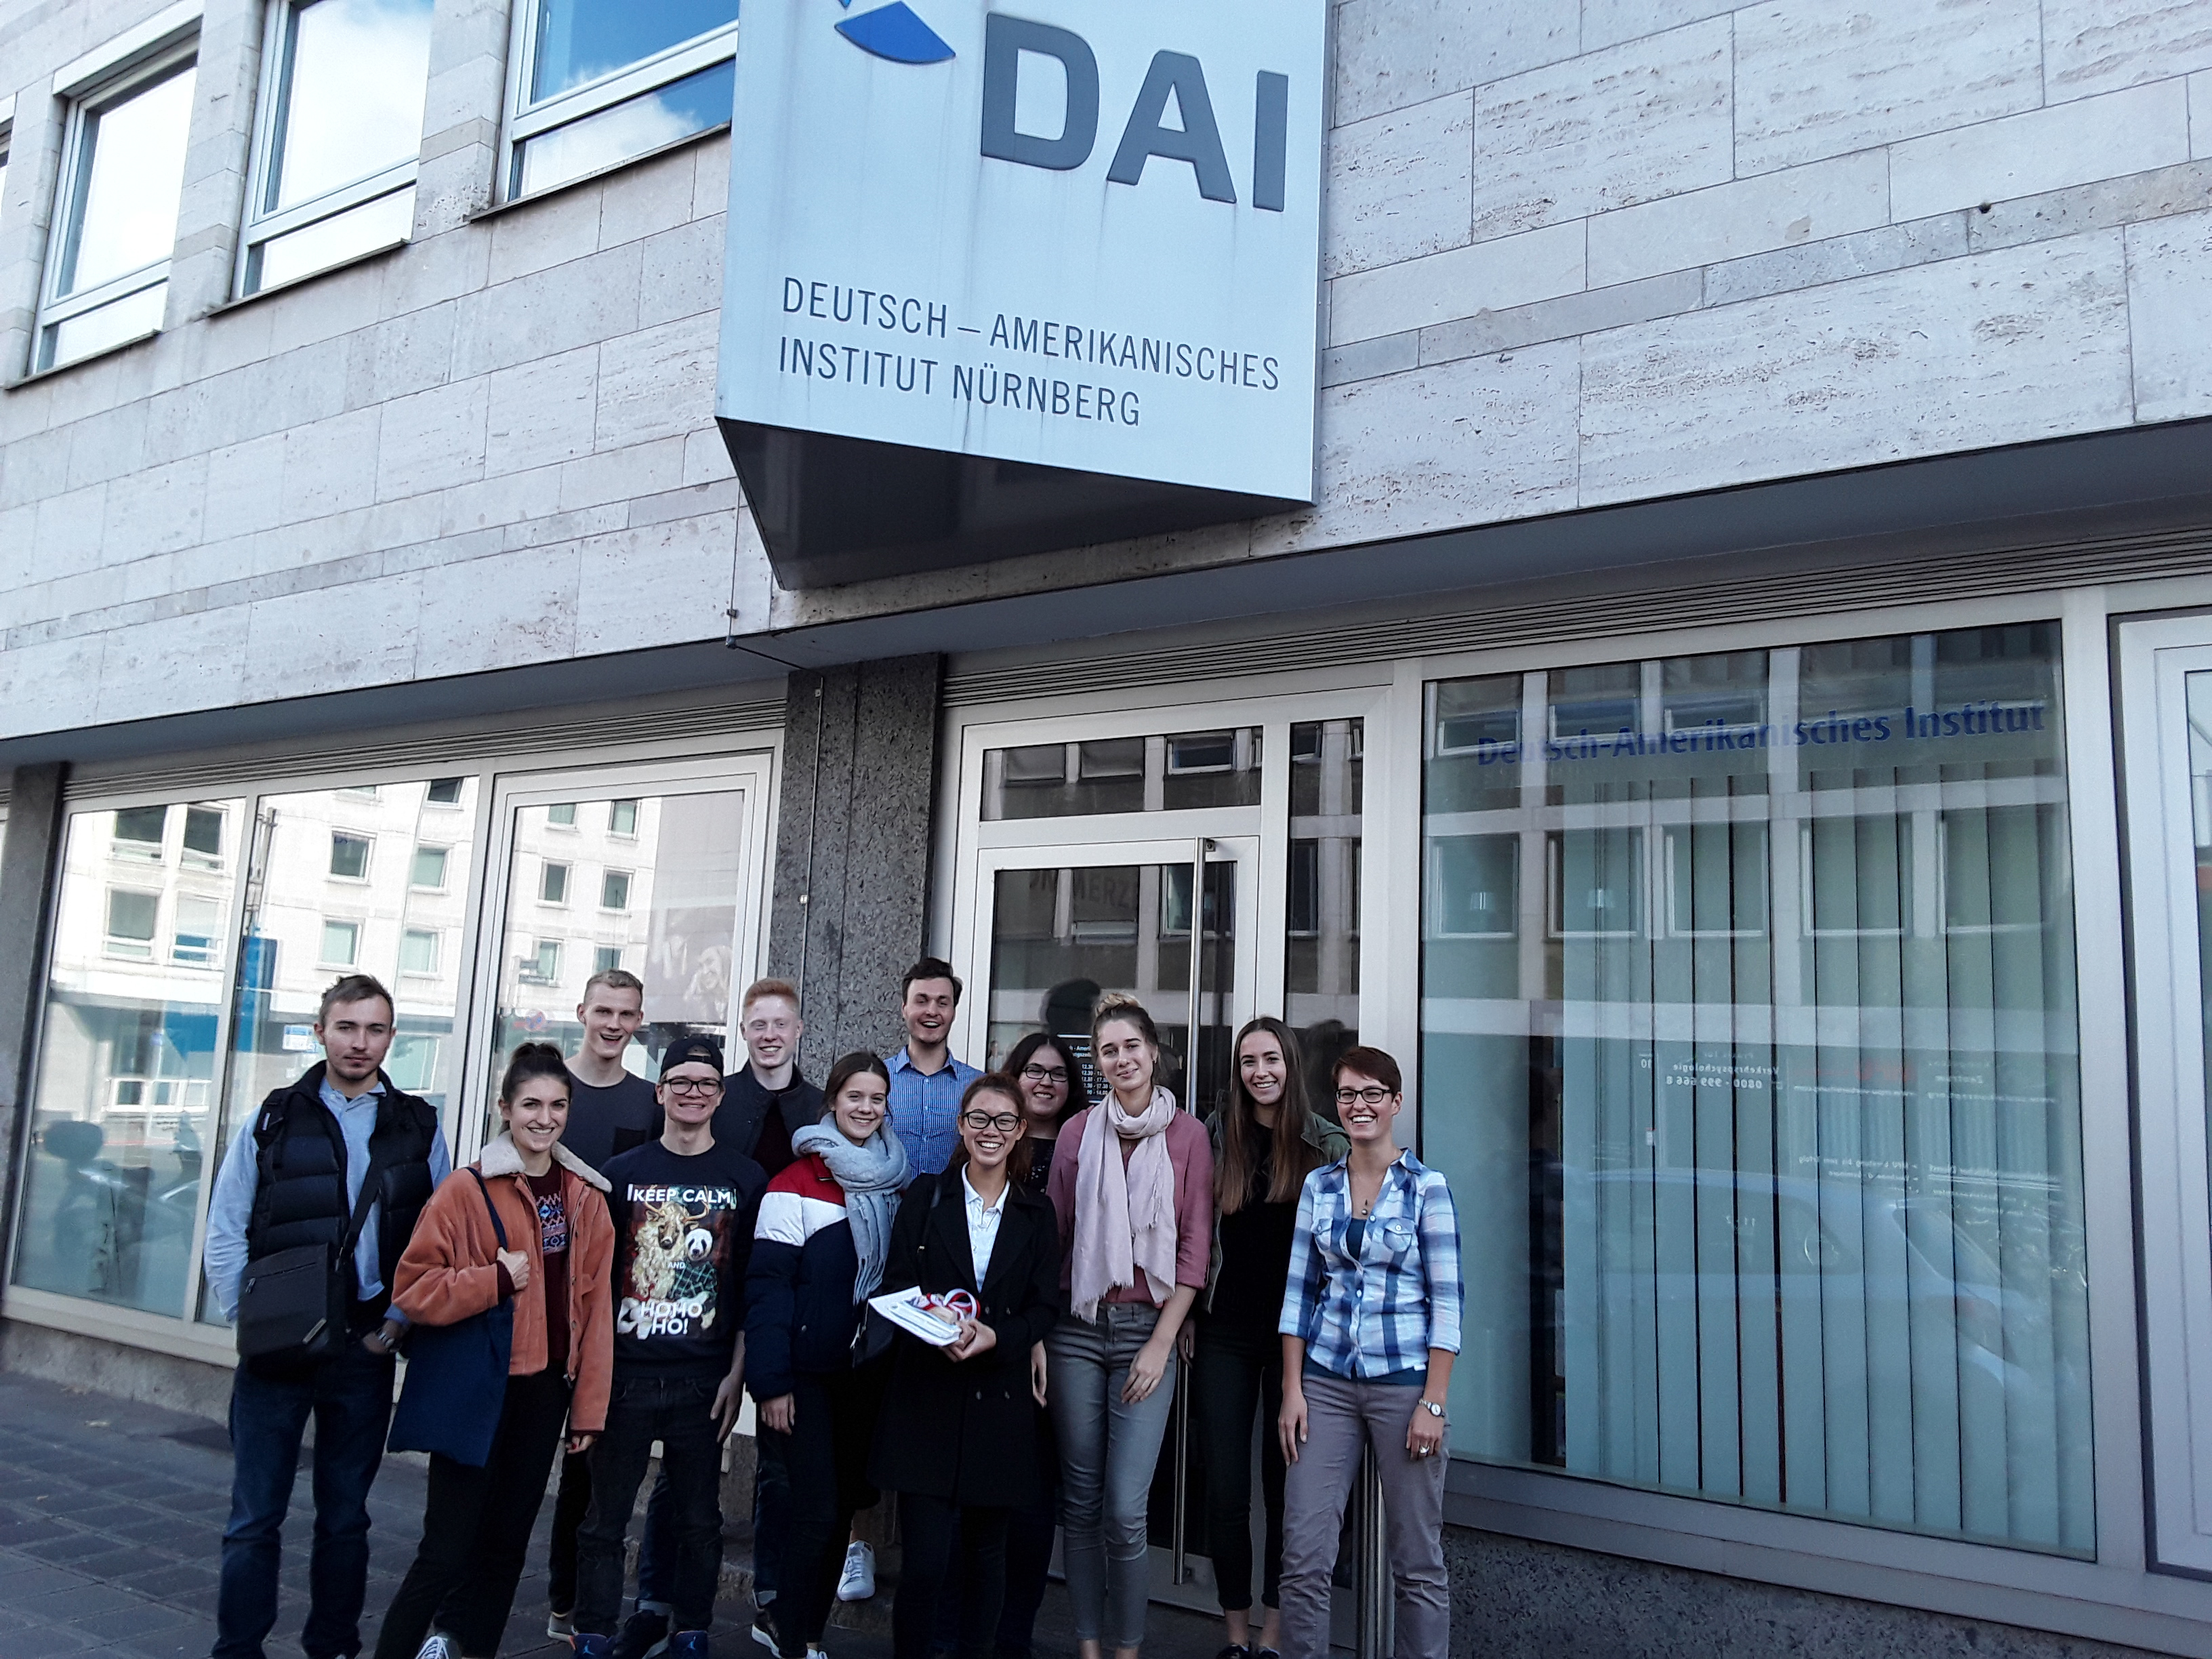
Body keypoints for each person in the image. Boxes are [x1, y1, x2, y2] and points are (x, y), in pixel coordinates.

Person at [203, 975, 451, 1659]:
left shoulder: (418, 1126)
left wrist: (395, 1326)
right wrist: (249, 1322)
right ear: (321, 1031)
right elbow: (225, 1228)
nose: (359, 1042)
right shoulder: (274, 1117)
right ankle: (238, 1649)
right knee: (254, 1519)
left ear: (391, 1038)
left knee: (345, 1519)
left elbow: (436, 1238)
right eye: (346, 1027)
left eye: (374, 1029)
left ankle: (334, 1645)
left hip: (362, 1348)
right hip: (276, 1349)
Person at [375, 1044, 615, 1659]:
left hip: (544, 1393)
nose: (544, 1118)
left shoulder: (587, 1196)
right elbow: (412, 1287)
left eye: (557, 1105)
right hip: (477, 1386)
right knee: (446, 1548)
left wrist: (588, 1410)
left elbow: (595, 1313)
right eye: (531, 1104)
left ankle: (470, 1647)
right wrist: (493, 1281)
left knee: (507, 1545)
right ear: (504, 1108)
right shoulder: (466, 1189)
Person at [571, 1038, 767, 1659]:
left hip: (703, 1381)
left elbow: (751, 1287)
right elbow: (595, 1282)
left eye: (705, 1083)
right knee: (604, 1521)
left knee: (700, 1522)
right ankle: (593, 1633)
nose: (692, 1093)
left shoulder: (745, 1178)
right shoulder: (620, 1175)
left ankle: (691, 1631)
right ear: (659, 1092)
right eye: (680, 1081)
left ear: (720, 1095)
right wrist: (590, 1378)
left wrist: (737, 1376)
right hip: (626, 1378)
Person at [1275, 1048, 1462, 1659]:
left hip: (1404, 1385)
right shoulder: (1319, 1185)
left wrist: (1433, 1403)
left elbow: (1447, 1303)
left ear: (1395, 1102)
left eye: (1372, 1093)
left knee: (1417, 1561)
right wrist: (1293, 1389)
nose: (1359, 1105)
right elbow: (1299, 1293)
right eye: (1348, 1095)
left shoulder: (1427, 1189)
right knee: (1304, 1557)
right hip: (1325, 1384)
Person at [1045, 994, 1214, 1659]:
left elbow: (1195, 1247)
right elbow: (1055, 1236)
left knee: (1124, 1508)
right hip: (1077, 1329)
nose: (1122, 1060)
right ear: (1099, 1061)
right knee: (1081, 1504)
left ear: (1154, 1051)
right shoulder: (1076, 1133)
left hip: (1150, 1330)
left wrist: (1163, 1341)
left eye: (1131, 1047)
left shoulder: (1188, 1136)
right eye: (1108, 1050)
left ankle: (1128, 1650)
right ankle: (1090, 1646)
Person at [872, 1075, 1061, 1659]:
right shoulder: (926, 1198)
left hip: (998, 1401)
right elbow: (896, 1285)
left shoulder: (1037, 1213)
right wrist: (939, 1332)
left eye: (1004, 1121)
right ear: (961, 1125)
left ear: (1020, 1131)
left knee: (986, 1558)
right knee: (925, 1563)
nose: (990, 1131)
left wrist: (999, 1338)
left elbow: (1044, 1308)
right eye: (979, 1118)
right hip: (927, 1395)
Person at [747, 1054, 913, 1659]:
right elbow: (768, 1288)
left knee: (842, 1510)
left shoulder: (898, 1182)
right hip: (806, 1378)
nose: (866, 1108)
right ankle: (789, 1634)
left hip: (866, 1375)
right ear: (833, 1101)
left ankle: (809, 1635)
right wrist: (771, 1383)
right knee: (814, 1511)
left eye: (877, 1098)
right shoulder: (794, 1183)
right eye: (855, 1097)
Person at [1198, 1019, 1347, 1659]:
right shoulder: (1216, 1132)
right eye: (1248, 1061)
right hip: (1224, 1332)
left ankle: (1275, 1635)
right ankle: (1236, 1635)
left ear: (1290, 1064)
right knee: (1226, 1490)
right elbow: (1194, 1230)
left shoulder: (1326, 1144)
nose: (1260, 1072)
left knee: (1288, 1490)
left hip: (1300, 1342)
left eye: (1271, 1060)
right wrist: (1187, 1317)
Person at [548, 969, 661, 1641]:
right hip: (541, 1296)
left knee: (585, 1461)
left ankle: (566, 1603)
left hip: (610, 1308)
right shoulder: (549, 1090)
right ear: (581, 1012)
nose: (614, 1024)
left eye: (626, 1014)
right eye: (604, 1011)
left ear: (639, 1020)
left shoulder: (648, 1100)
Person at [994, 1032, 1080, 1659]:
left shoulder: (1086, 1143)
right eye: (1033, 1071)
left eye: (1057, 1073)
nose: (1045, 1082)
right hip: (997, 1332)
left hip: (1062, 1327)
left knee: (1035, 1488)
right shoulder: (995, 1141)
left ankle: (1015, 1632)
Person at [886, 958, 983, 1177]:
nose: (932, 1011)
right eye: (921, 1001)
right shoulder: (877, 1080)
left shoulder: (978, 1086)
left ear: (953, 1012)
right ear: (904, 1009)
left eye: (942, 1003)